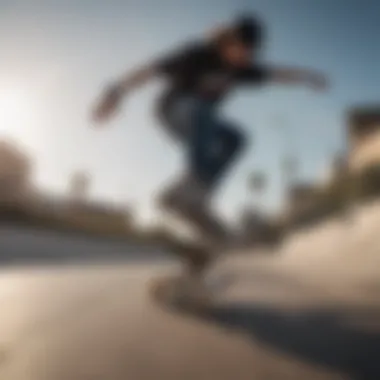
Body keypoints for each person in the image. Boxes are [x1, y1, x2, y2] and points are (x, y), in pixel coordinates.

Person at [92, 14, 329, 238]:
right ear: (229, 41)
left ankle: (188, 198)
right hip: (173, 112)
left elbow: (277, 74)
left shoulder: (240, 70)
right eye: (243, 49)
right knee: (202, 108)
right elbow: (150, 71)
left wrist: (308, 77)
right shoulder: (196, 54)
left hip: (201, 126)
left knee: (236, 139)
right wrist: (114, 93)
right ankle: (192, 190)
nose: (246, 57)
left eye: (251, 53)